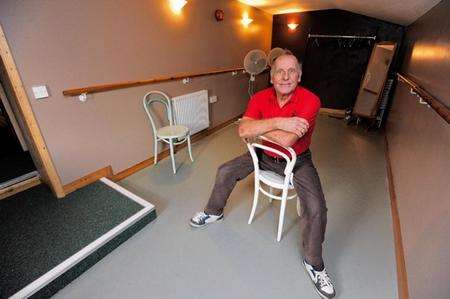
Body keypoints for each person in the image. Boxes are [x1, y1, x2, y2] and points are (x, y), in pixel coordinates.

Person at [189, 51, 335, 299]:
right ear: (272, 77)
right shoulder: (259, 97)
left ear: (299, 76)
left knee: (317, 207)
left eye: (291, 71)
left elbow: (289, 141)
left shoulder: (311, 100)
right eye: (280, 71)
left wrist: (261, 129)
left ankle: (314, 264)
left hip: (298, 160)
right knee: (225, 170)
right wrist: (281, 122)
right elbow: (243, 130)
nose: (285, 76)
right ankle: (214, 212)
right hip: (262, 154)